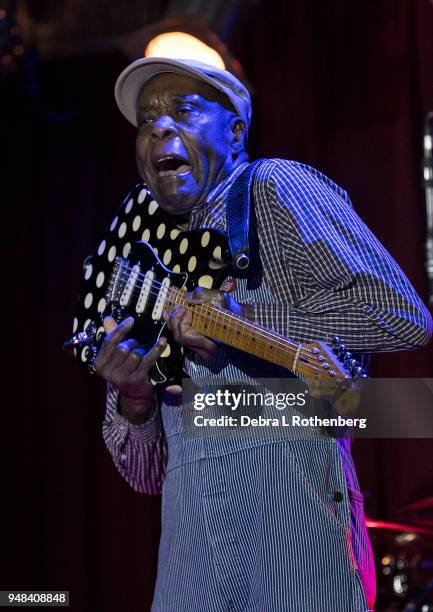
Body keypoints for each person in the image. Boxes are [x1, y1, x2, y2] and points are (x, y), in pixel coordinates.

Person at [95, 57, 432, 612]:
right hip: (193, 565)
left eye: (181, 110)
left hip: (292, 545)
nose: (157, 128)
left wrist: (242, 327)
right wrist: (133, 401)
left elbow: (401, 316)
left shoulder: (272, 187)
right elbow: (149, 477)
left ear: (234, 131)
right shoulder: (148, 260)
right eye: (146, 120)